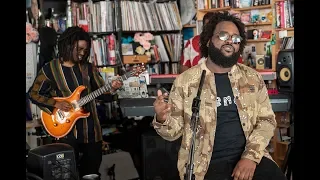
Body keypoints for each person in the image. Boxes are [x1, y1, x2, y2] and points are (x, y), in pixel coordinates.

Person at [153, 11, 287, 180]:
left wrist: (250, 157)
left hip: (250, 158)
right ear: (209, 40)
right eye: (223, 35)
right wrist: (162, 119)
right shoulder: (185, 81)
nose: (230, 41)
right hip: (204, 166)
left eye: (236, 38)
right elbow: (172, 133)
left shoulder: (252, 78)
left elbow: (266, 121)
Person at [28, 26, 123, 179]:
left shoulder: (89, 68)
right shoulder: (50, 68)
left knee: (92, 174)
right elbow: (33, 94)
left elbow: (104, 95)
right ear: (67, 45)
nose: (82, 53)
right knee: (66, 175)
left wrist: (112, 89)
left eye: (85, 50)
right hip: (65, 132)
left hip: (92, 132)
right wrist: (55, 104)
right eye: (79, 49)